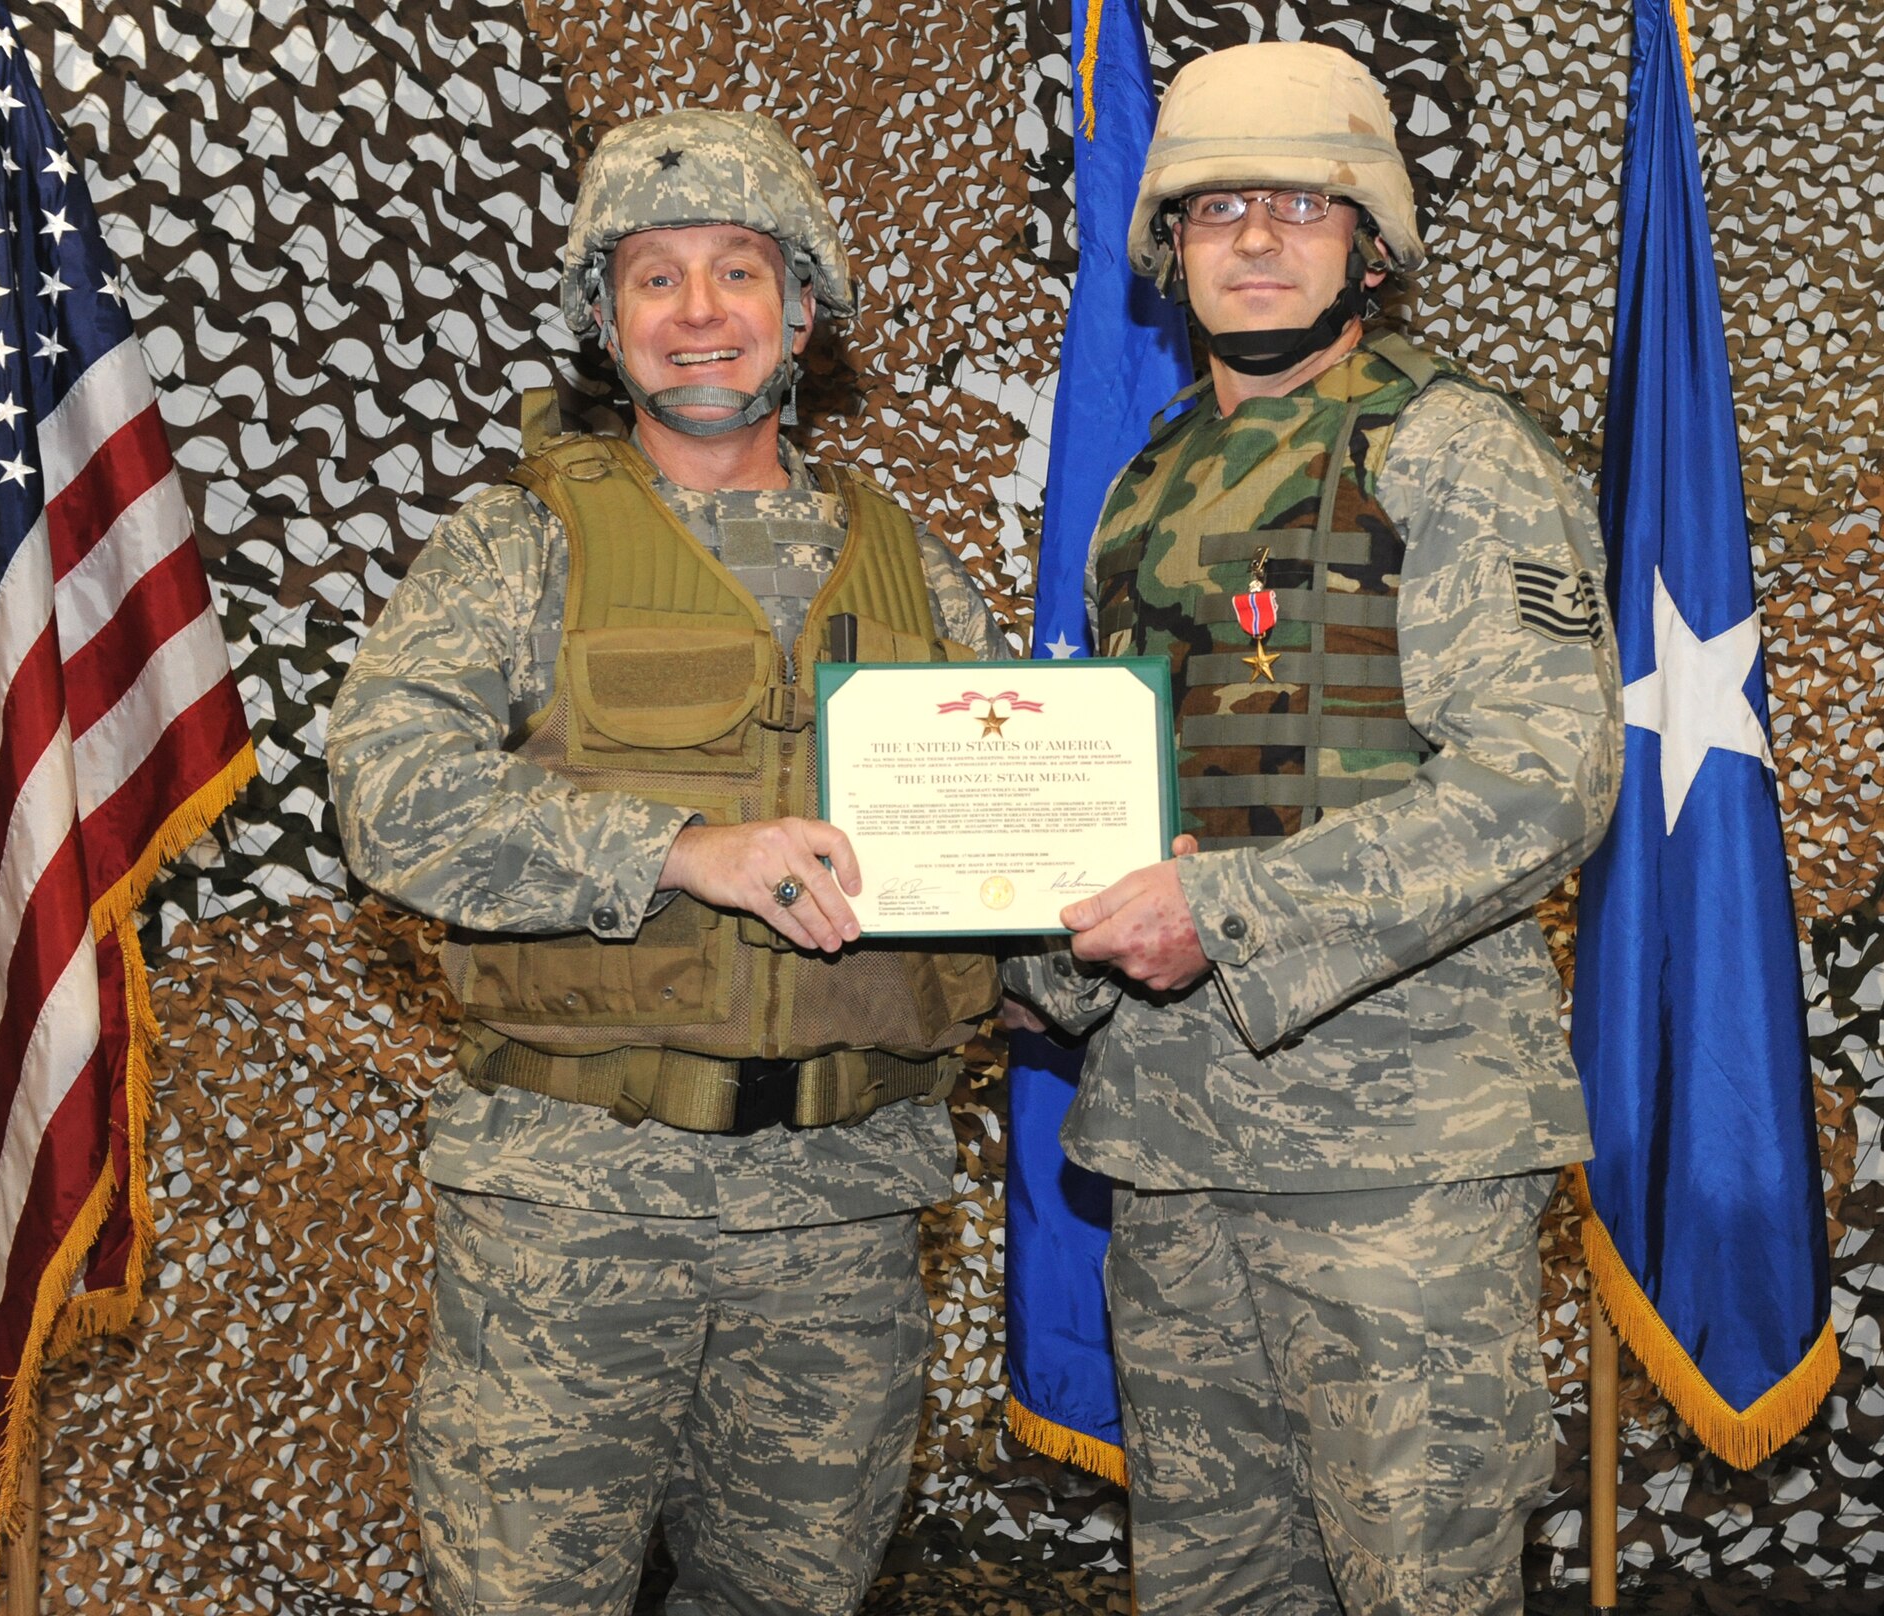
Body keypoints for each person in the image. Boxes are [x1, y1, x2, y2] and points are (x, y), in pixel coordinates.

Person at [327, 108, 1006, 1616]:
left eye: (741, 272)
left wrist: (1108, 890)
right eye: (655, 279)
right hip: (576, 1208)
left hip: (842, 1207)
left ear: (803, 311)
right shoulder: (520, 544)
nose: (700, 313)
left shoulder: (912, 564)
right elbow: (389, 791)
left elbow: (1004, 843)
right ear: (601, 320)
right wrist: (681, 850)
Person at [1003, 41, 1622, 1616]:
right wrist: (1029, 946)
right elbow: (1137, 806)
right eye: (1217, 210)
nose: (1259, 239)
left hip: (1398, 1158)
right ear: (1169, 250)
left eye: (1301, 203)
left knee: (1417, 1584)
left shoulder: (1454, 448)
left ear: (1368, 241)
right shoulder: (1146, 486)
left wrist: (1225, 914)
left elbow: (1545, 775)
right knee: (1211, 1588)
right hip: (1172, 1142)